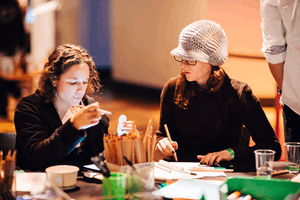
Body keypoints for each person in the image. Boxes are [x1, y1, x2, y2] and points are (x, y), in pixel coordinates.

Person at [155, 20, 282, 165]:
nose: (183, 64)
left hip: (222, 174)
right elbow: (163, 134)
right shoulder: (172, 88)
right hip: (180, 172)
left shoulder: (238, 93)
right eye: (182, 58)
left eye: (191, 59)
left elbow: (272, 147)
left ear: (211, 59)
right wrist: (162, 143)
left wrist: (231, 153)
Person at [14, 44, 109, 171]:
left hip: (82, 186)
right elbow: (37, 158)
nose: (81, 90)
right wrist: (74, 126)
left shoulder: (86, 104)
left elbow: (98, 156)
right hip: (42, 185)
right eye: (73, 82)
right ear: (54, 79)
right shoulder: (29, 108)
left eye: (85, 82)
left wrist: (120, 136)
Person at [260, 0, 300, 142]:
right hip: (295, 99)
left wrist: (288, 91)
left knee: (296, 163)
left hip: (296, 99)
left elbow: (274, 51)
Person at [0, 0, 29, 119]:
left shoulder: (16, 7)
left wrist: (23, 50)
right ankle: (8, 107)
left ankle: (7, 108)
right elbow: (21, 30)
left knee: (10, 79)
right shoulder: (16, 7)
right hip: (11, 50)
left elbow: (21, 30)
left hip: (12, 51)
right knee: (7, 80)